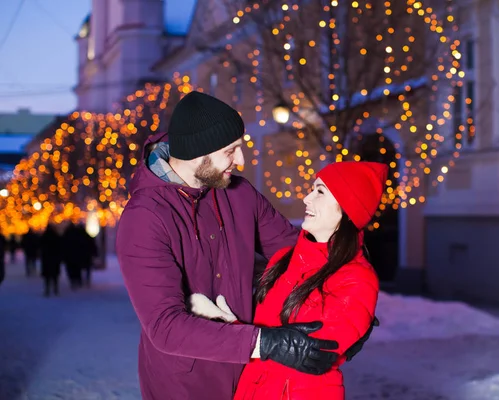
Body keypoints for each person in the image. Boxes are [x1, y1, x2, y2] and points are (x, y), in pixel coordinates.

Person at [116, 92, 372, 400]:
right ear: (199, 152)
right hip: (185, 384)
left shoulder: (238, 194)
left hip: (249, 379)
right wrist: (265, 343)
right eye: (231, 151)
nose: (241, 161)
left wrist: (355, 303)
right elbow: (165, 326)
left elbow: (298, 253)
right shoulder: (144, 218)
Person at [192, 161, 386, 399]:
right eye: (312, 189)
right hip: (252, 388)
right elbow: (267, 335)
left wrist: (232, 328)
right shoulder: (284, 259)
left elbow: (314, 351)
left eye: (320, 191)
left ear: (347, 209)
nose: (307, 198)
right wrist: (228, 321)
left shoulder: (356, 278)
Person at [40, 224, 62, 296]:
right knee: (54, 276)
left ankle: (47, 289)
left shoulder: (44, 236)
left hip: (47, 258)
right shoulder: (56, 237)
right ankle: (55, 289)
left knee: (47, 276)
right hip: (54, 258)